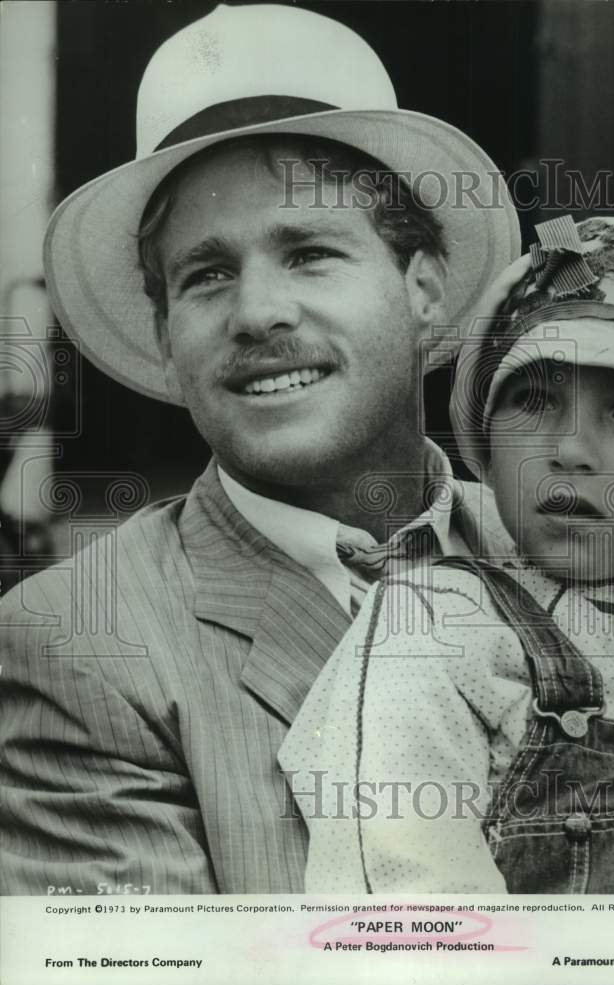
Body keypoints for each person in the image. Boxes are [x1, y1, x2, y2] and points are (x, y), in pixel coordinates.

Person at [0, 3, 523, 895]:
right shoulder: (80, 641)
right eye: (206, 276)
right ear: (165, 335)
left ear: (424, 286)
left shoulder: (581, 558)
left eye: (311, 252)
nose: (256, 314)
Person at [279, 214, 614, 893]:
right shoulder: (436, 626)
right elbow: (407, 903)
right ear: (489, 451)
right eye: (533, 400)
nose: (570, 450)